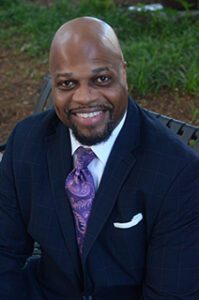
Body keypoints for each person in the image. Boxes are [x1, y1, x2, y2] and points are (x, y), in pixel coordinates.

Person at [0, 16, 199, 300]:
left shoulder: (178, 173)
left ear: (124, 74)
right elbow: (4, 251)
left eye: (102, 79)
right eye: (67, 83)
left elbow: (171, 295)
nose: (84, 98)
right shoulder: (26, 142)